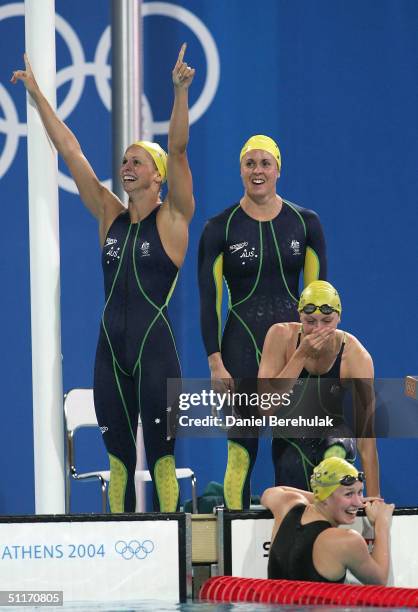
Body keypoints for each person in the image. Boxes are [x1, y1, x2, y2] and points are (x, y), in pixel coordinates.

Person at [12, 45, 195, 512]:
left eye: (137, 162)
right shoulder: (108, 216)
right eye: (125, 161)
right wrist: (37, 95)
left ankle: (169, 546)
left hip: (156, 354)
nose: (126, 167)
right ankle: (119, 546)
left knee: (161, 461)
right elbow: (70, 150)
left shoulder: (174, 219)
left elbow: (177, 147)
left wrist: (178, 93)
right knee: (116, 461)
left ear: (159, 179)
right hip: (110, 352)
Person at [198, 134, 327, 509]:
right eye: (250, 163)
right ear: (240, 170)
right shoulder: (219, 228)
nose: (257, 170)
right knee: (241, 452)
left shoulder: (306, 224)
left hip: (293, 350)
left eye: (264, 163)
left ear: (278, 169)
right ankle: (235, 551)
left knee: (295, 452)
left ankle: (295, 546)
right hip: (240, 348)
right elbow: (210, 300)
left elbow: (320, 297)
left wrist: (316, 354)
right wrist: (215, 361)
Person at [258, 280, 380, 496]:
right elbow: (265, 408)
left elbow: (367, 440)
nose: (318, 329)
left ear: (339, 318)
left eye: (327, 320)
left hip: (335, 441)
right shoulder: (280, 336)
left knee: (337, 442)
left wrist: (374, 500)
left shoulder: (356, 357)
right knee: (293, 460)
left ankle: (336, 497)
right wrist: (300, 354)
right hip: (291, 443)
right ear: (299, 317)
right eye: (310, 321)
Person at [261, 456, 394, 584]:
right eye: (348, 494)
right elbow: (380, 580)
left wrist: (324, 499)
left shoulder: (287, 506)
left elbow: (270, 492)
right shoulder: (346, 540)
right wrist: (381, 523)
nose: (359, 503)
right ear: (325, 497)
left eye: (360, 492)